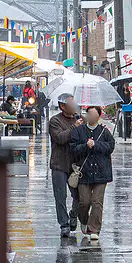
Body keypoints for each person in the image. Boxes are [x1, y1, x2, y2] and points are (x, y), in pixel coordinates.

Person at [69, 105, 115, 241]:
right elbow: (73, 148)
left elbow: (110, 146)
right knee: (84, 201)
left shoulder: (104, 131)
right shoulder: (79, 131)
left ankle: (94, 229)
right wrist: (85, 146)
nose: (91, 117)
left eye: (94, 115)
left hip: (102, 172)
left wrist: (96, 144)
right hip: (84, 172)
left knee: (97, 201)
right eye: (89, 114)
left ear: (99, 116)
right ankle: (84, 220)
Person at [48, 93, 84, 237]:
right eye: (71, 103)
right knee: (60, 196)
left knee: (79, 195)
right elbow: (60, 138)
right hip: (59, 164)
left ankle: (73, 215)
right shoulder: (55, 121)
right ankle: (64, 224)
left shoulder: (79, 119)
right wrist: (74, 127)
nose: (74, 106)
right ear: (63, 106)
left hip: (74, 165)